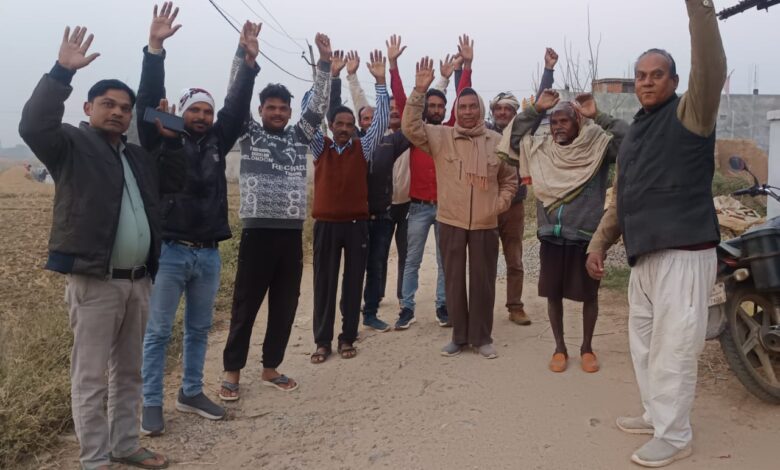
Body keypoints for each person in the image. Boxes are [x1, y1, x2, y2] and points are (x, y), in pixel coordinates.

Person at [19, 25, 185, 470]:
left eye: (124, 108)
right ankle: (94, 459)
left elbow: (172, 180)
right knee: (90, 376)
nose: (117, 113)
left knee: (129, 372)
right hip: (95, 281)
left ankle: (125, 444)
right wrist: (61, 71)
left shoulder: (135, 156)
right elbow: (33, 125)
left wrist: (172, 142)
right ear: (88, 107)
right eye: (108, 104)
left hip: (138, 282)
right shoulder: (70, 145)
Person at [585, 1, 726, 467]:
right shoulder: (636, 133)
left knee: (674, 348)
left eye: (657, 74)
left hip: (684, 253)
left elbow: (710, 65)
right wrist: (599, 243)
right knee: (644, 343)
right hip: (645, 256)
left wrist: (698, 9)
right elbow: (623, 198)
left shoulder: (690, 114)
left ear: (675, 81)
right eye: (641, 75)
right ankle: (656, 414)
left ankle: (675, 434)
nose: (647, 81)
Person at [135, 3, 261, 433]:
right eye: (195, 111)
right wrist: (155, 50)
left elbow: (235, 108)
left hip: (208, 253)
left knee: (199, 329)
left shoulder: (217, 141)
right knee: (158, 332)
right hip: (170, 250)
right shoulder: (162, 137)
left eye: (207, 112)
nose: (203, 117)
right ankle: (151, 402)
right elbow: (147, 103)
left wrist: (248, 64)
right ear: (182, 112)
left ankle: (190, 391)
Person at [219, 33, 332, 400]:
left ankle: (271, 368)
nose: (278, 113)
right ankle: (232, 372)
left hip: (290, 235)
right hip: (257, 234)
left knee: (284, 305)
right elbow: (233, 97)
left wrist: (325, 65)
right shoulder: (248, 132)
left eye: (283, 108)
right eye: (272, 107)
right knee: (245, 306)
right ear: (261, 109)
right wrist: (243, 54)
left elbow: (319, 105)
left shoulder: (300, 137)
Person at [500, 90, 627, 373]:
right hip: (551, 235)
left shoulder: (597, 149)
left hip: (586, 237)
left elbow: (629, 139)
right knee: (553, 294)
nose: (558, 126)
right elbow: (514, 138)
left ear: (577, 122)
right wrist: (535, 109)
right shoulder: (541, 150)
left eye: (564, 121)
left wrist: (598, 115)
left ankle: (587, 348)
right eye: (554, 121)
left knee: (589, 295)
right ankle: (559, 348)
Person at [402, 55, 517, 358]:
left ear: (480, 109)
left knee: (483, 282)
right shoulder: (440, 136)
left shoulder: (496, 141)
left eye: (472, 107)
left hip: (485, 222)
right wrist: (419, 91)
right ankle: (459, 336)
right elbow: (410, 127)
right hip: (451, 220)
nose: (467, 112)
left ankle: (482, 337)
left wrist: (499, 203)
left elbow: (509, 179)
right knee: (453, 280)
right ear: (455, 110)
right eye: (462, 107)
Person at [309, 50, 389, 363]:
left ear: (356, 127)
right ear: (330, 126)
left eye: (349, 124)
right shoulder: (320, 146)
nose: (344, 128)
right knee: (324, 284)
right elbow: (309, 115)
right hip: (326, 226)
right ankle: (322, 341)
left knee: (353, 282)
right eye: (339, 123)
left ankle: (347, 338)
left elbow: (381, 120)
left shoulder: (363, 147)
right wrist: (329, 75)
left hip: (357, 226)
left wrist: (380, 81)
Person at [395, 35, 474, 331]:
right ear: (426, 108)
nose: (438, 110)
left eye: (441, 106)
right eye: (433, 106)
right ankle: (407, 308)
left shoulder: (450, 132)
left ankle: (443, 305)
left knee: (445, 261)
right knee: (411, 260)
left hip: (445, 208)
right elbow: (404, 105)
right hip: (417, 208)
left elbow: (463, 102)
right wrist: (395, 68)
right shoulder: (417, 135)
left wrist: (466, 66)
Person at [489, 47, 558, 326]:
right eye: (499, 108)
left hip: (515, 205)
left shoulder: (521, 131)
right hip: (486, 204)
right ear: (492, 111)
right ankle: (482, 307)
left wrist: (548, 70)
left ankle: (515, 306)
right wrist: (461, 70)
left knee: (515, 259)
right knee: (484, 260)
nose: (503, 112)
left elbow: (539, 109)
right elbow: (461, 103)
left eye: (508, 109)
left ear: (515, 112)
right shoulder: (484, 132)